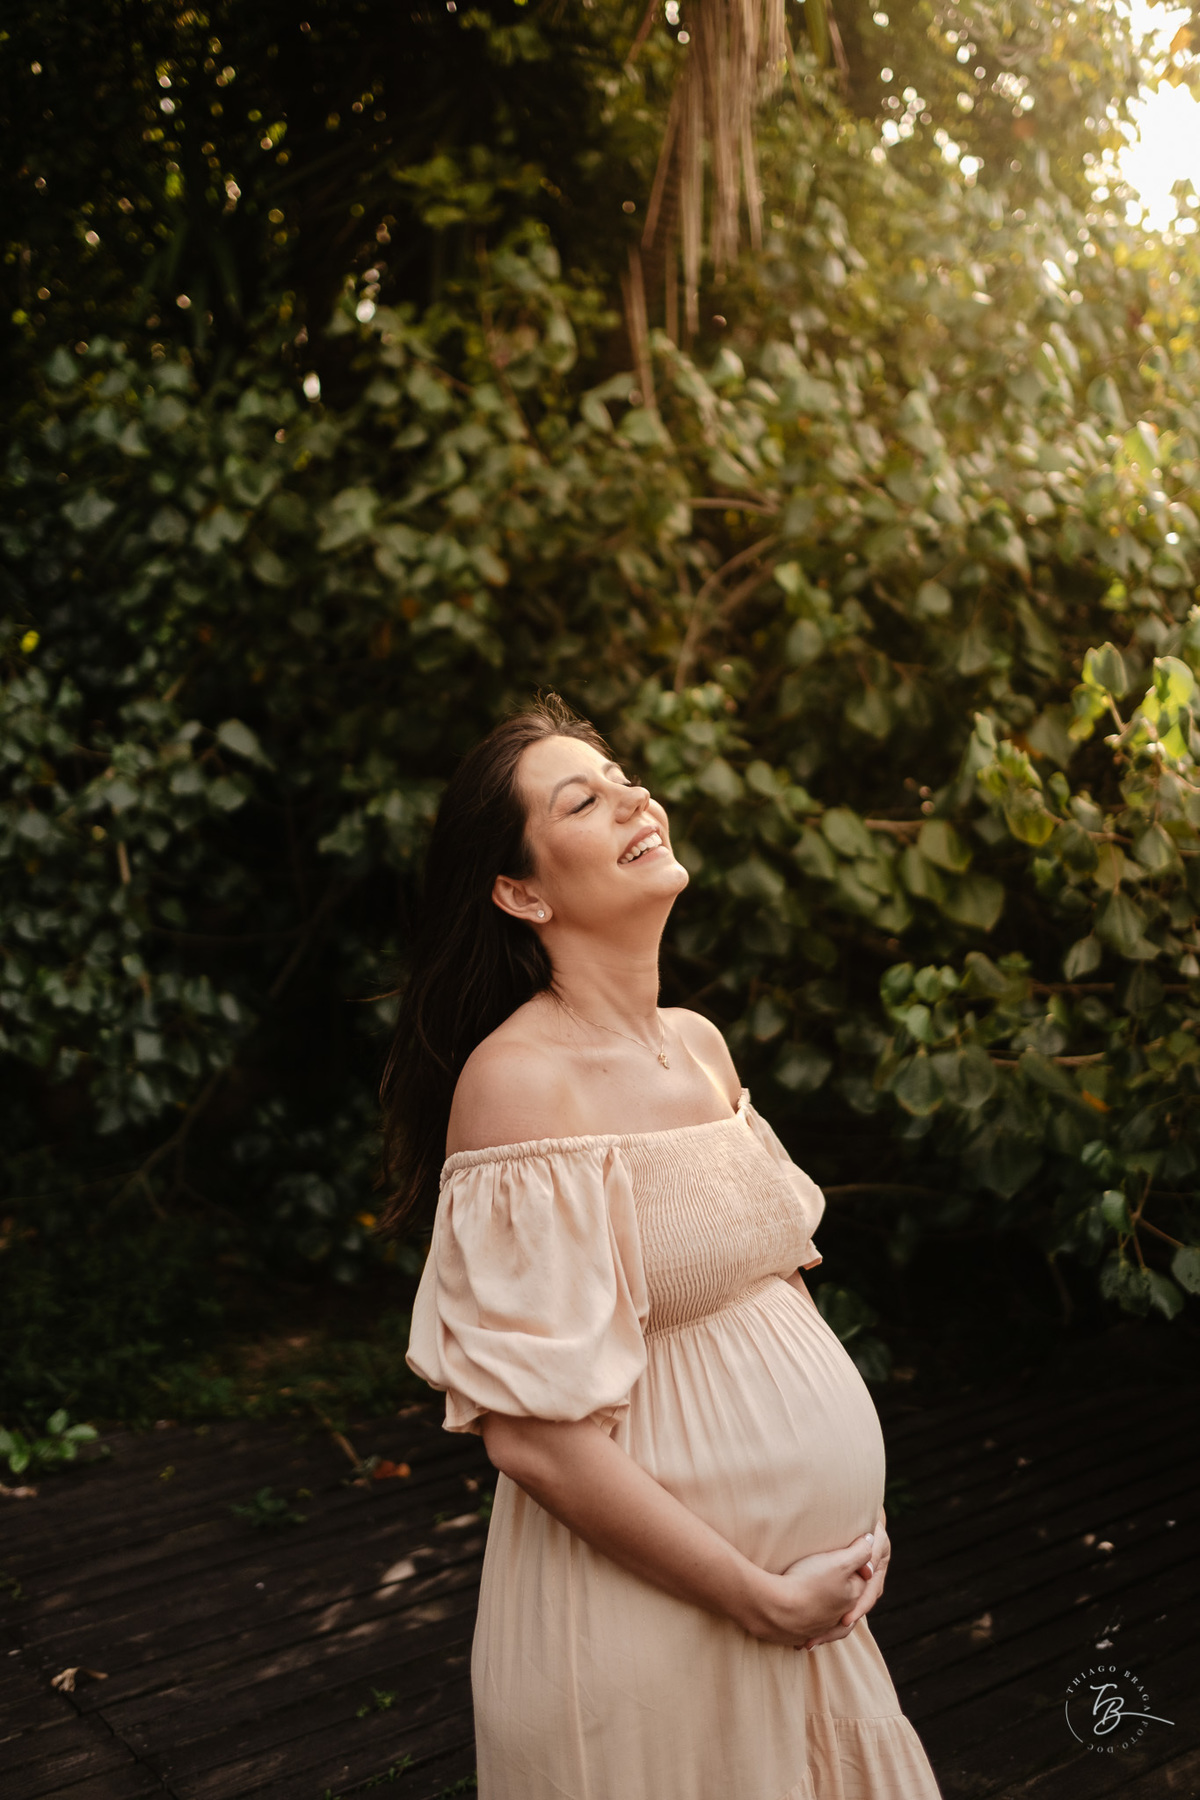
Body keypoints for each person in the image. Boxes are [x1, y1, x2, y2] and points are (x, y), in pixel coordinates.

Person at [383, 696, 943, 1800]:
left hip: (810, 1611)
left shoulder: (699, 1047)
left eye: (621, 773)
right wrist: (757, 1594)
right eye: (582, 799)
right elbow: (533, 1440)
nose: (635, 796)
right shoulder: (517, 1084)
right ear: (521, 891)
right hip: (654, 1628)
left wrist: (850, 1513)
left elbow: (776, 1282)